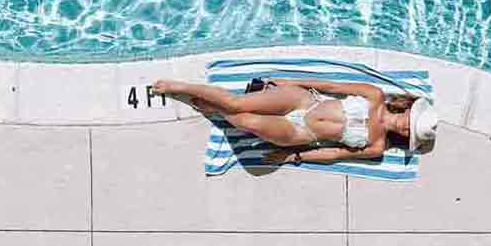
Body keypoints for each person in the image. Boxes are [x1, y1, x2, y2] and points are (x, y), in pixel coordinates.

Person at [152, 77, 439, 164]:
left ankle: (217, 112)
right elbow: (334, 87)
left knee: (246, 122)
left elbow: (335, 153)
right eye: (409, 120)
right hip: (304, 101)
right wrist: (292, 82)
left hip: (302, 132)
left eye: (409, 131)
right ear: (407, 109)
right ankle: (182, 88)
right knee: (237, 102)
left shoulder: (377, 147)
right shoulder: (374, 96)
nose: (404, 127)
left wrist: (292, 157)